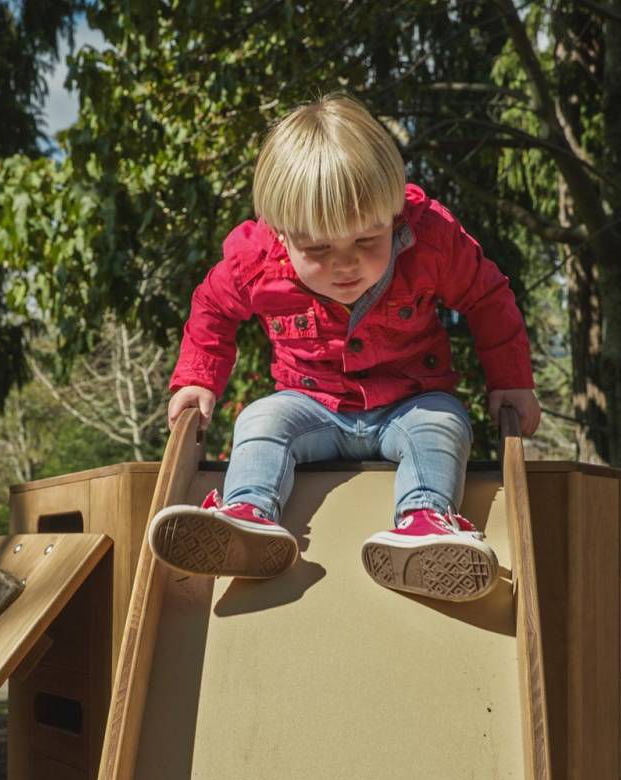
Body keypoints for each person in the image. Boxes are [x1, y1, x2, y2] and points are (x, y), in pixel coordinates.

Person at [146, 93, 539, 602]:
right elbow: (213, 308)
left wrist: (510, 381)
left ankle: (427, 524)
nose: (346, 264)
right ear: (282, 235)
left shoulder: (433, 240)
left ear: (394, 215)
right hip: (311, 404)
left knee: (442, 424)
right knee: (260, 421)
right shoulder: (254, 260)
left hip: (410, 400)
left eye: (367, 240)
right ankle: (245, 517)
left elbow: (488, 297)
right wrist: (198, 378)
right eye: (319, 250)